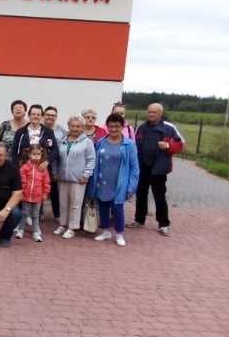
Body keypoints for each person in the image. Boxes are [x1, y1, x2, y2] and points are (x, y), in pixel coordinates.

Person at [128, 103, 184, 236]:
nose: (151, 114)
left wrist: (168, 146)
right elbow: (134, 145)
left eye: (154, 112)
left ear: (160, 113)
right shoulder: (142, 127)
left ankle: (163, 224)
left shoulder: (169, 128)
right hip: (143, 167)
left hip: (159, 168)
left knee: (159, 196)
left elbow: (181, 144)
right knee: (141, 194)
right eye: (149, 112)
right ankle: (139, 220)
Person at [88, 113, 139, 247]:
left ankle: (119, 234)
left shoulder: (129, 145)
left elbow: (134, 168)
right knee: (103, 207)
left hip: (119, 183)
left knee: (117, 209)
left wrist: (131, 187)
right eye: (111, 126)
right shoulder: (100, 142)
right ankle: (105, 231)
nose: (113, 129)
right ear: (107, 127)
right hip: (102, 182)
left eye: (117, 126)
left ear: (122, 127)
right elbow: (94, 163)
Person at [53, 115, 96, 240]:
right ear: (69, 126)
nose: (75, 128)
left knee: (75, 205)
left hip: (79, 179)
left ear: (82, 127)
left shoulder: (87, 142)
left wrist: (86, 175)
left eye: (78, 126)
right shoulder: (62, 140)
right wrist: (55, 172)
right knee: (63, 203)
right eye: (72, 126)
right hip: (62, 177)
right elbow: (56, 158)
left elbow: (91, 160)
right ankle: (62, 224)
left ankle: (72, 228)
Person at [13, 145, 51, 242]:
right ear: (29, 155)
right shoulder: (25, 167)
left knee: (35, 215)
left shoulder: (43, 168)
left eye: (38, 154)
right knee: (24, 213)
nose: (36, 156)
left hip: (37, 196)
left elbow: (46, 182)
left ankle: (36, 231)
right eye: (34, 154)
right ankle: (20, 229)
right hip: (26, 196)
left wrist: (45, 193)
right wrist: (22, 192)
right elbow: (22, 181)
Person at [43, 105, 67, 221]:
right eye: (48, 115)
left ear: (56, 117)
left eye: (53, 115)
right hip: (41, 164)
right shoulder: (39, 129)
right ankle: (39, 213)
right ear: (44, 115)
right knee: (39, 188)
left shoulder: (61, 130)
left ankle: (57, 214)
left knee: (54, 191)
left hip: (56, 164)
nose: (50, 117)